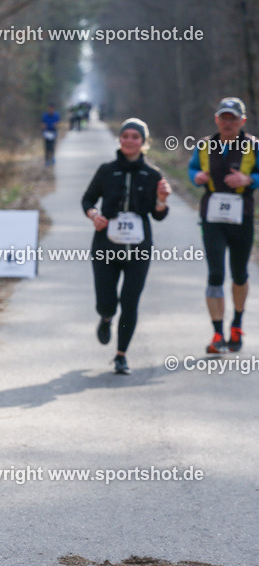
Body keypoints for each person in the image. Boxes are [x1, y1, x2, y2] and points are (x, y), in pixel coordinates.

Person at [81, 118, 171, 374]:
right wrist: (93, 215)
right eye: (126, 136)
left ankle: (121, 355)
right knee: (107, 301)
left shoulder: (153, 175)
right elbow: (87, 199)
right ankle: (106, 317)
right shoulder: (106, 171)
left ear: (143, 142)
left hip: (139, 248)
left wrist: (162, 200)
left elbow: (159, 215)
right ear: (119, 139)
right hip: (105, 246)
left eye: (135, 137)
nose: (130, 140)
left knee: (130, 302)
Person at [187, 97, 259, 353]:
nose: (228, 123)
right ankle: (217, 333)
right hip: (212, 218)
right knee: (215, 275)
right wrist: (196, 176)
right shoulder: (205, 145)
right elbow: (192, 168)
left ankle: (237, 325)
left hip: (242, 216)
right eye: (224, 118)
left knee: (239, 274)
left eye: (233, 118)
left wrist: (249, 178)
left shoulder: (254, 146)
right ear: (217, 119)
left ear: (242, 121)